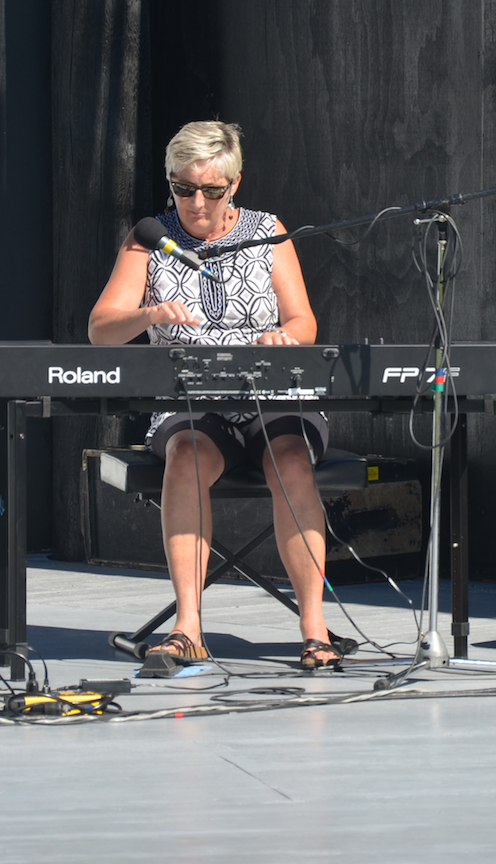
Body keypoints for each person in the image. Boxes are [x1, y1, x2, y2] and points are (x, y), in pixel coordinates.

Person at [89, 120, 341, 669]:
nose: (196, 202)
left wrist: (283, 338)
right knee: (185, 456)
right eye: (183, 188)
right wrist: (148, 315)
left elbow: (303, 322)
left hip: (271, 394)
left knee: (290, 458)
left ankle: (314, 627)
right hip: (189, 400)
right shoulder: (149, 239)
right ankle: (188, 627)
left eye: (211, 190)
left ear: (235, 184)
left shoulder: (266, 230)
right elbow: (100, 328)